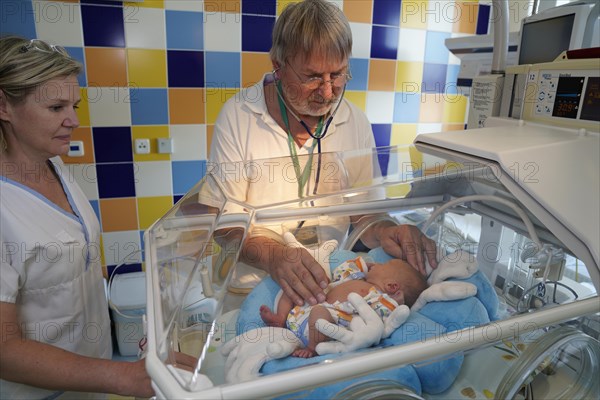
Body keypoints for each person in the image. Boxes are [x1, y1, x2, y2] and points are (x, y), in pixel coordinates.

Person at [0, 35, 196, 399]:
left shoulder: (54, 166)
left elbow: (79, 266)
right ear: (4, 106)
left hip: (90, 377)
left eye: (73, 105)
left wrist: (135, 331)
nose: (73, 120)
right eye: (56, 108)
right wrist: (121, 377)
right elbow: (4, 350)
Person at [209, 0, 437, 308]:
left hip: (327, 288)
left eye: (338, 74)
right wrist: (274, 255)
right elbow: (224, 226)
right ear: (278, 65)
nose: (328, 92)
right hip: (250, 293)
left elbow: (365, 211)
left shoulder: (353, 120)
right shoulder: (239, 115)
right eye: (312, 77)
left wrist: (388, 231)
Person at [260, 256, 428, 357]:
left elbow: (385, 312)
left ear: (391, 286)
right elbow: (344, 270)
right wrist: (365, 264)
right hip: (303, 312)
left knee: (320, 312)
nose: (376, 264)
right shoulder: (358, 278)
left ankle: (312, 349)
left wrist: (395, 302)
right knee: (294, 287)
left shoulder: (378, 298)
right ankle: (281, 318)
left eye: (383, 265)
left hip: (327, 326)